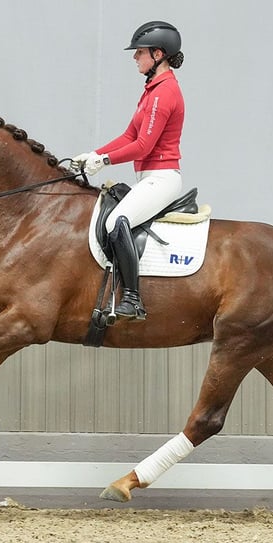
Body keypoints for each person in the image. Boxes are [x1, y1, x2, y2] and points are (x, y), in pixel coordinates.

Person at [72, 20, 186, 321]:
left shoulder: (164, 93)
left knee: (116, 221)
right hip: (148, 177)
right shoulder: (152, 90)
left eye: (140, 52)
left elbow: (144, 146)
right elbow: (128, 137)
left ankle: (133, 299)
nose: (135, 57)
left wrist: (106, 162)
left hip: (161, 177)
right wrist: (95, 154)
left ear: (158, 54)